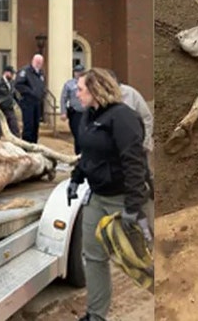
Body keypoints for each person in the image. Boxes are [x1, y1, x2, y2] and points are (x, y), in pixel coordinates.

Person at [66, 68, 154, 321]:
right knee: (93, 256)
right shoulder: (88, 117)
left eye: (80, 89)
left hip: (122, 198)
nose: (76, 93)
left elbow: (135, 164)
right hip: (97, 197)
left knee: (137, 261)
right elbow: (88, 155)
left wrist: (133, 207)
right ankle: (96, 315)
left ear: (95, 90)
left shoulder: (123, 118)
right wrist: (76, 179)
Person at [15, 54, 46, 143]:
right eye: (37, 62)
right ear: (33, 61)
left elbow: (42, 85)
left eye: (40, 62)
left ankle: (34, 144)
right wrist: (30, 92)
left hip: (37, 102)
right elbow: (18, 84)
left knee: (36, 125)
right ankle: (27, 145)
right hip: (27, 102)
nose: (38, 64)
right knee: (29, 125)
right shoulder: (25, 71)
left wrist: (42, 93)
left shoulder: (41, 73)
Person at [59, 64, 86, 153]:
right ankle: (78, 154)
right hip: (75, 113)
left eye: (80, 72)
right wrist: (63, 112)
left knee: (86, 134)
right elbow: (63, 98)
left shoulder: (88, 83)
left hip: (87, 112)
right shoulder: (69, 84)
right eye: (77, 71)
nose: (78, 73)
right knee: (77, 135)